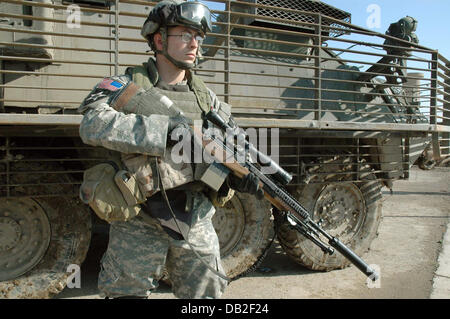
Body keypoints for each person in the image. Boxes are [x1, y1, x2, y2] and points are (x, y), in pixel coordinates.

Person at [78, 0, 262, 299]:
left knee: (206, 296)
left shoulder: (208, 101)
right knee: (126, 293)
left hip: (196, 216)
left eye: (199, 37)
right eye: (186, 35)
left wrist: (238, 177)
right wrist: (164, 132)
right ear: (159, 39)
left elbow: (230, 149)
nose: (195, 44)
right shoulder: (125, 84)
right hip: (138, 216)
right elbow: (92, 123)